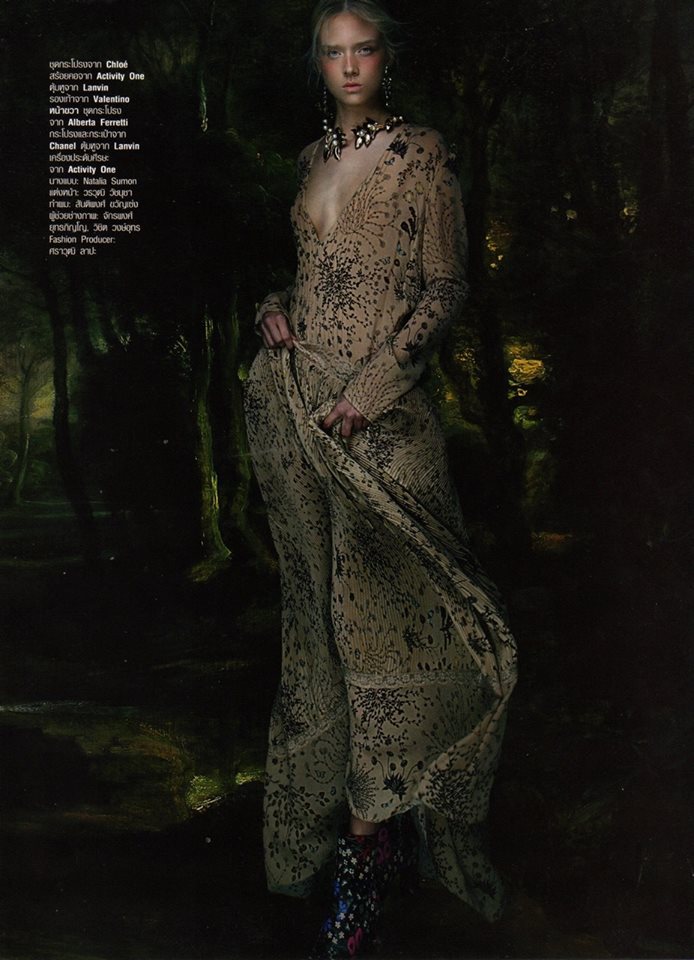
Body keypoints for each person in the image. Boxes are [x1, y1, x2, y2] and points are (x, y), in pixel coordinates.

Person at [243, 1, 518, 955]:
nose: (350, 65)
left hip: (381, 418)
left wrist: (370, 390)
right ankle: (352, 839)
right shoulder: (311, 158)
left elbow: (444, 289)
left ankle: (370, 851)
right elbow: (307, 278)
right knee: (319, 623)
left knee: (388, 628)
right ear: (317, 65)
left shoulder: (423, 154)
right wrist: (273, 307)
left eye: (365, 49)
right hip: (296, 414)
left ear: (386, 57)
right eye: (334, 52)